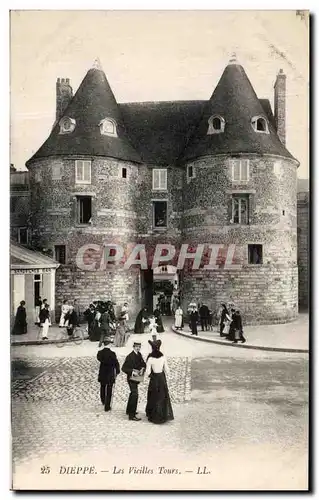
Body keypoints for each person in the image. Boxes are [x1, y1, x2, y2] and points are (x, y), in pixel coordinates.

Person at [145, 340, 174, 424]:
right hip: (161, 378)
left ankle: (154, 415)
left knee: (153, 396)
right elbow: (167, 370)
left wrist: (149, 374)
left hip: (154, 379)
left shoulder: (150, 358)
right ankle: (162, 414)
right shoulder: (163, 357)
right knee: (162, 396)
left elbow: (148, 372)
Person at [121, 342, 146, 421]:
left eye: (139, 347)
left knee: (132, 394)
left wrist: (142, 368)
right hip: (131, 378)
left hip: (137, 378)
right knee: (135, 394)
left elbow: (143, 364)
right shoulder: (130, 356)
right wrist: (132, 371)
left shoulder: (139, 355)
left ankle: (129, 411)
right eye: (137, 347)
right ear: (133, 347)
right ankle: (131, 416)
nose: (138, 348)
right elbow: (124, 368)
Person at [97, 340, 120, 411]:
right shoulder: (112, 354)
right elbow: (116, 362)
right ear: (109, 344)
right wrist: (117, 371)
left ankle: (103, 400)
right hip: (110, 373)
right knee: (109, 389)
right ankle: (107, 406)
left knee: (102, 387)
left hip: (102, 373)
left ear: (104, 344)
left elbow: (99, 359)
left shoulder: (100, 353)